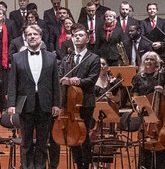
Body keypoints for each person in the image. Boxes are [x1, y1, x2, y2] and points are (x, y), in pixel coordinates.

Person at [7, 25, 60, 169]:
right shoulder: (17, 58)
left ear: (40, 37)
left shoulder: (51, 57)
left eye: (35, 34)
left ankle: (40, 167)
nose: (32, 36)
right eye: (29, 34)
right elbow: (12, 83)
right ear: (25, 38)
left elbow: (55, 83)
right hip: (25, 103)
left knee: (43, 142)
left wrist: (57, 104)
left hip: (45, 103)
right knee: (26, 142)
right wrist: (11, 104)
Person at [61, 25, 100, 169]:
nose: (77, 37)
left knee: (83, 135)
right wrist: (63, 80)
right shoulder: (67, 57)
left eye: (81, 35)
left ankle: (86, 165)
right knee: (72, 135)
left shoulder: (93, 58)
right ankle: (78, 164)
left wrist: (78, 81)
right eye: (75, 35)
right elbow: (60, 75)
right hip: (69, 102)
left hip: (85, 102)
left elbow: (92, 79)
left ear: (88, 39)